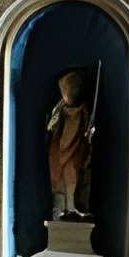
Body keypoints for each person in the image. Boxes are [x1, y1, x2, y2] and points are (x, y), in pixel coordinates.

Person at [45, 66, 97, 219]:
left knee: (73, 175)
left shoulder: (84, 110)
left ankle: (73, 207)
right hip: (60, 149)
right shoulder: (60, 108)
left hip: (76, 149)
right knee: (60, 180)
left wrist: (90, 135)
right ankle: (61, 210)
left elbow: (89, 130)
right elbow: (51, 127)